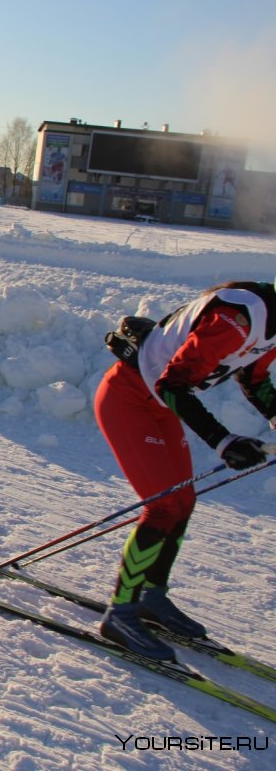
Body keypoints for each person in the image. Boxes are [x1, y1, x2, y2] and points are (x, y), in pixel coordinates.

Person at [95, 281, 276, 661]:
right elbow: (173, 384)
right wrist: (223, 441)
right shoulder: (237, 319)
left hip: (159, 406)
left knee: (183, 502)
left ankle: (151, 596)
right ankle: (121, 613)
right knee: (162, 507)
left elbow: (253, 377)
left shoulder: (268, 322)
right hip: (128, 399)